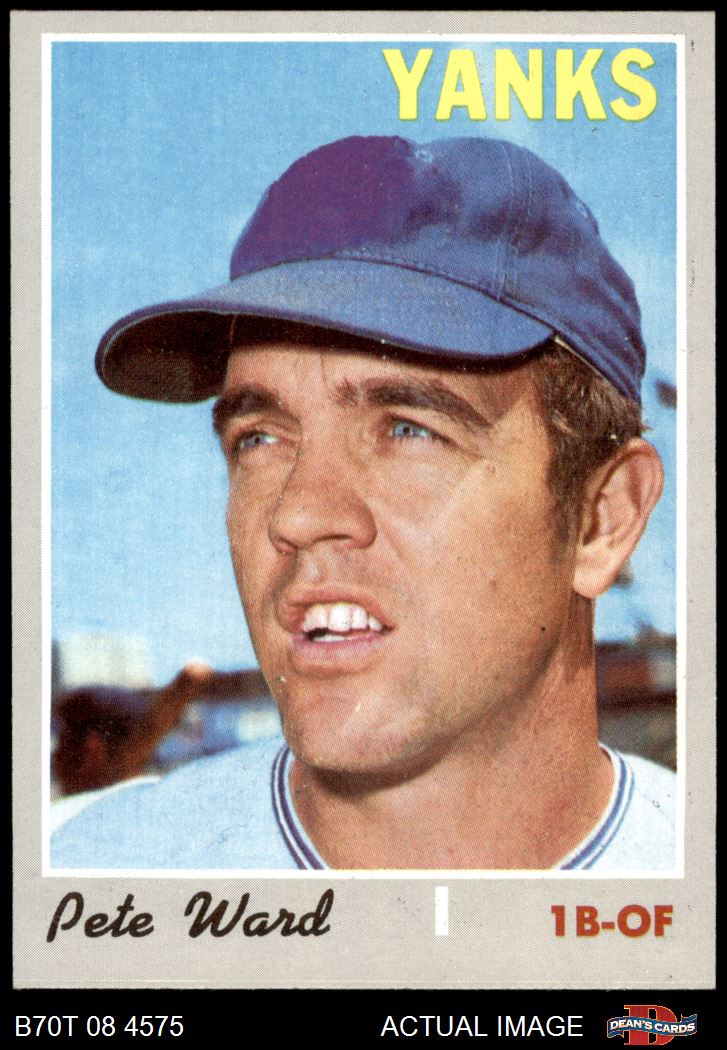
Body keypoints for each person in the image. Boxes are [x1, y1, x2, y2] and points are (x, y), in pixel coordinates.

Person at [52, 134, 675, 871]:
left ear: (602, 520)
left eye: (409, 429)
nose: (296, 515)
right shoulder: (95, 874)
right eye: (259, 439)